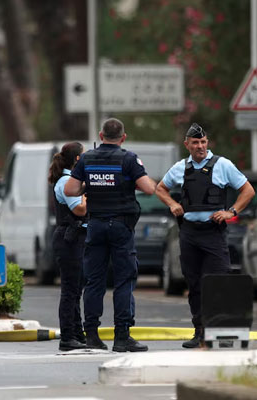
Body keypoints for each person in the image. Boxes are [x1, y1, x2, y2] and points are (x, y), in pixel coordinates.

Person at [155, 122, 254, 348]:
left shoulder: (223, 165)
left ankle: (220, 331)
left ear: (207, 143)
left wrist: (231, 211)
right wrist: (172, 204)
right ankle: (199, 331)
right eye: (195, 143)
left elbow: (248, 190)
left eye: (203, 142)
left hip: (213, 233)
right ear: (187, 145)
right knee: (194, 284)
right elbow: (160, 188)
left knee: (218, 281)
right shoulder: (180, 167)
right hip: (189, 233)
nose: (200, 146)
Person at [64, 118, 157, 352]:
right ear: (123, 137)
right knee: (124, 280)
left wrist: (90, 185)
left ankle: (92, 334)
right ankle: (122, 336)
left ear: (101, 135)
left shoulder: (86, 158)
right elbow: (149, 188)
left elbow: (70, 190)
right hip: (121, 227)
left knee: (94, 281)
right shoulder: (128, 159)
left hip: (95, 225)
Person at [49, 142, 88, 352]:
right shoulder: (66, 181)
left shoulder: (71, 180)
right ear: (78, 160)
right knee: (70, 290)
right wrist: (88, 193)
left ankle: (76, 333)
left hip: (74, 238)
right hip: (69, 239)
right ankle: (67, 336)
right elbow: (80, 209)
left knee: (76, 288)